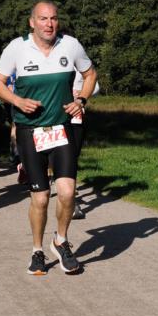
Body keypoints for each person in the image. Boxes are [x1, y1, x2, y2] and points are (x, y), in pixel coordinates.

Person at [0, 1, 97, 276]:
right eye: (43, 19)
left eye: (53, 19)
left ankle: (60, 241)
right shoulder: (17, 48)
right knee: (40, 199)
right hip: (30, 130)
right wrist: (17, 100)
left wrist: (82, 100)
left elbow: (90, 74)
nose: (49, 24)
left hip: (61, 129)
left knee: (67, 192)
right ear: (32, 22)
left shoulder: (71, 45)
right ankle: (37, 250)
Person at [69, 68, 100, 219]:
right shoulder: (51, 63)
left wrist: (81, 95)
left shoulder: (80, 66)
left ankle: (72, 203)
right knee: (53, 157)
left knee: (72, 158)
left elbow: (96, 86)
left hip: (76, 118)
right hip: (54, 117)